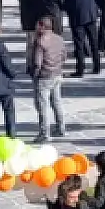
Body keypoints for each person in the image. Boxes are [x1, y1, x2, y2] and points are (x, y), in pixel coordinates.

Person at [27, 16, 67, 144]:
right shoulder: (59, 39)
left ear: (42, 26)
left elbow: (38, 63)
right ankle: (61, 128)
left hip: (44, 77)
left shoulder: (40, 41)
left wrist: (34, 75)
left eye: (37, 25)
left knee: (42, 106)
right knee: (57, 102)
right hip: (57, 74)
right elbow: (64, 55)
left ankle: (44, 134)